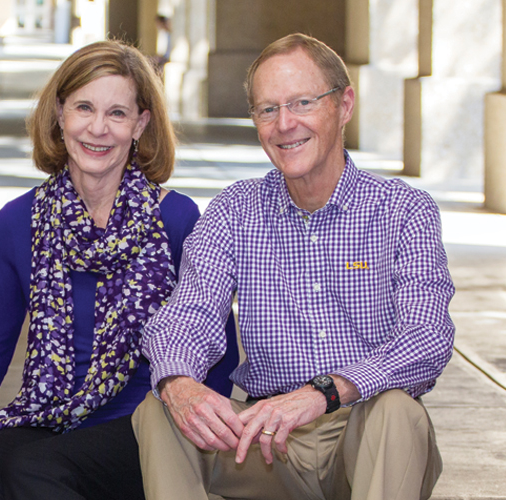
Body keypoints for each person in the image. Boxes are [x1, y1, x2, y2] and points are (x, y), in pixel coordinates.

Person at [133, 33, 454, 500]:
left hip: (364, 432)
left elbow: (426, 339)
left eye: (302, 102)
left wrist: (323, 392)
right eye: (267, 109)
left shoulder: (404, 211)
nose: (285, 124)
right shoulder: (235, 211)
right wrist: (179, 381)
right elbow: (188, 315)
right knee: (160, 407)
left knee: (398, 412)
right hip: (265, 442)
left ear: (344, 105)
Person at [0, 40, 239, 500]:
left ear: (141, 123)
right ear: (60, 114)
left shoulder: (176, 220)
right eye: (84, 107)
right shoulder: (18, 222)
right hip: (51, 412)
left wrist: (203, 444)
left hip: (147, 421)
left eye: (117, 114)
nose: (98, 129)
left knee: (33, 468)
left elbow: (219, 350)